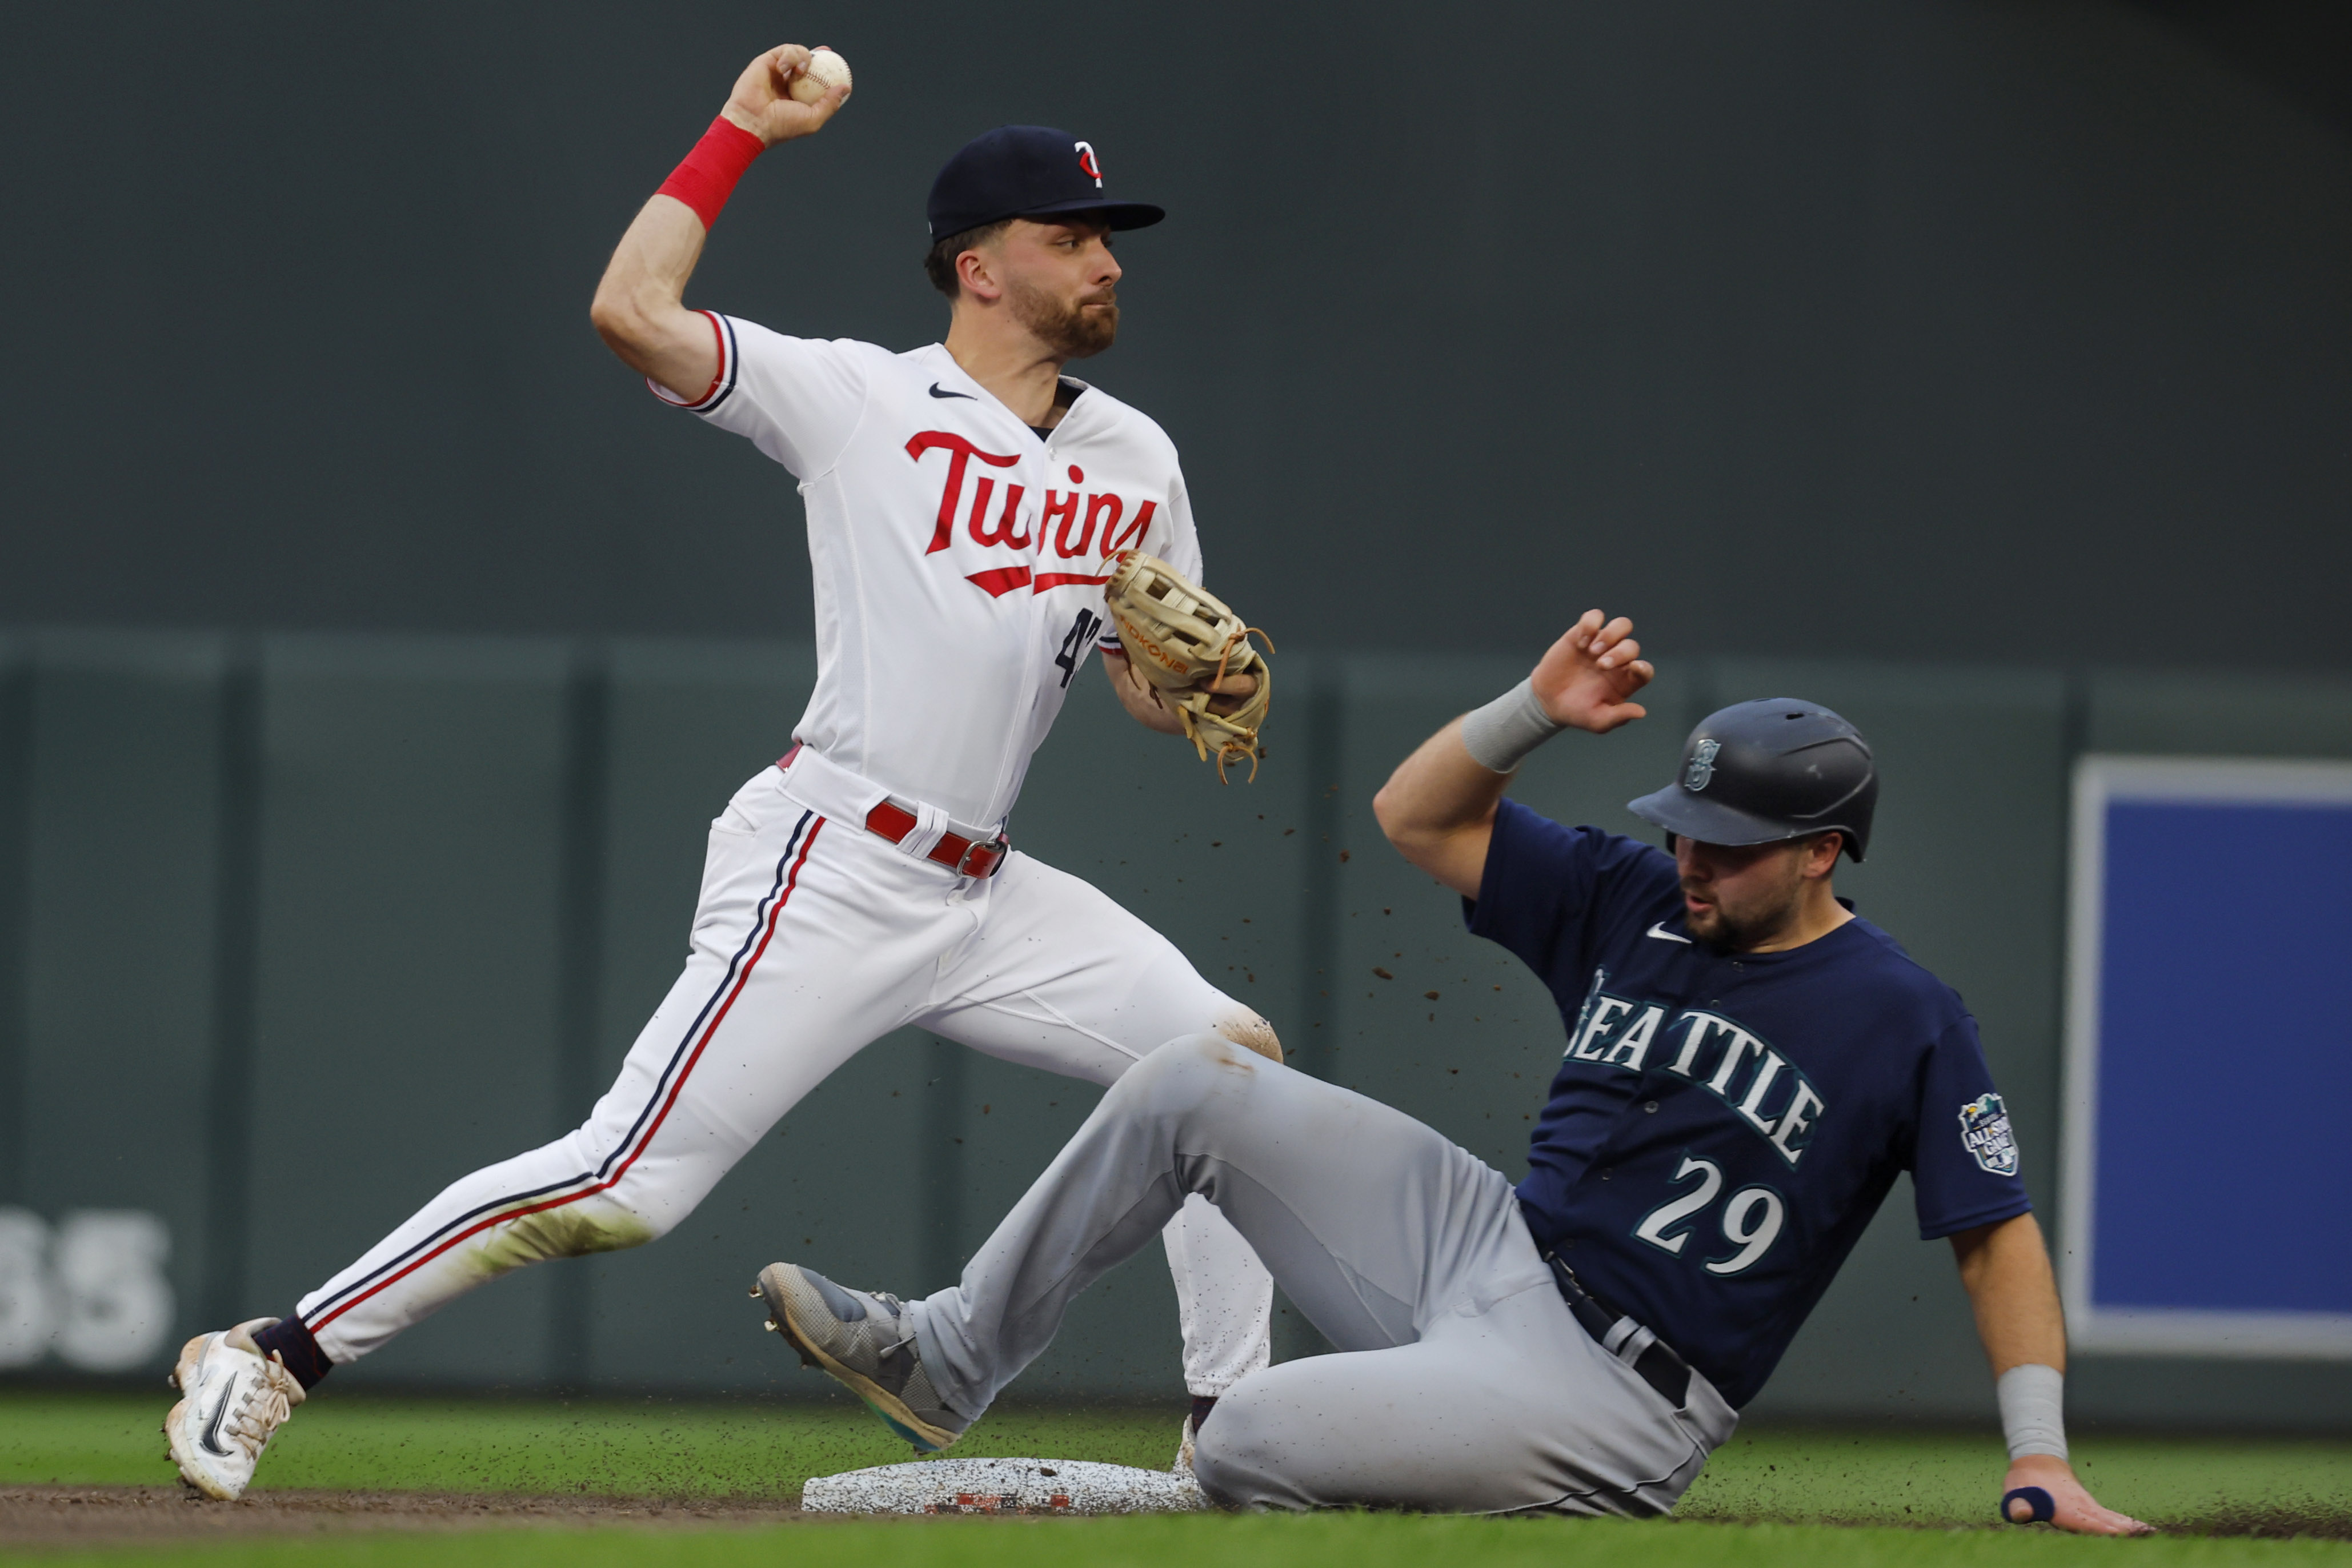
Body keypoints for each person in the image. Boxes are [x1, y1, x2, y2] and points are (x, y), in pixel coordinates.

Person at [165, 45, 1279, 1499]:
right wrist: (742, 129)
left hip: (987, 886)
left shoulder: (1139, 455)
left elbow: (1143, 687)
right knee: (622, 1188)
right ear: (977, 267)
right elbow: (631, 313)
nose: (1102, 262)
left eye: (1106, 240)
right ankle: (272, 1347)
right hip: (833, 861)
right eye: (1068, 238)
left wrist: (1186, 682)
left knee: (1224, 1061)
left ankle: (1232, 1426)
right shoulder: (860, 401)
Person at [754, 611, 2150, 1529]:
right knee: (1191, 1080)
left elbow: (1993, 1233)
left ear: (1822, 850)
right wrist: (1533, 708)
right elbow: (1416, 814)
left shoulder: (1899, 1010)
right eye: (1686, 824)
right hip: (1488, 1243)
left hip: (1617, 1392)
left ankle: (1258, 1478)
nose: (1693, 856)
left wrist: (2037, 1452)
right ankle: (944, 1357)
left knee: (1245, 1438)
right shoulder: (1637, 897)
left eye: (1727, 841)